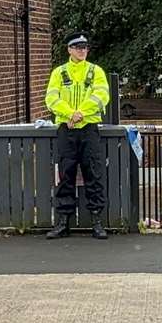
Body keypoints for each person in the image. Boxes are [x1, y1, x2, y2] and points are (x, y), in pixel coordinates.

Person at [45, 33, 111, 239]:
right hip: (66, 129)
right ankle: (63, 223)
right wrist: (69, 114)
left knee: (94, 174)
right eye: (78, 47)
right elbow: (51, 98)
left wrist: (80, 113)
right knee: (66, 175)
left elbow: (102, 96)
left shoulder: (95, 71)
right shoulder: (59, 72)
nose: (83, 50)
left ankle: (97, 222)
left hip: (89, 128)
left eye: (85, 47)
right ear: (69, 49)